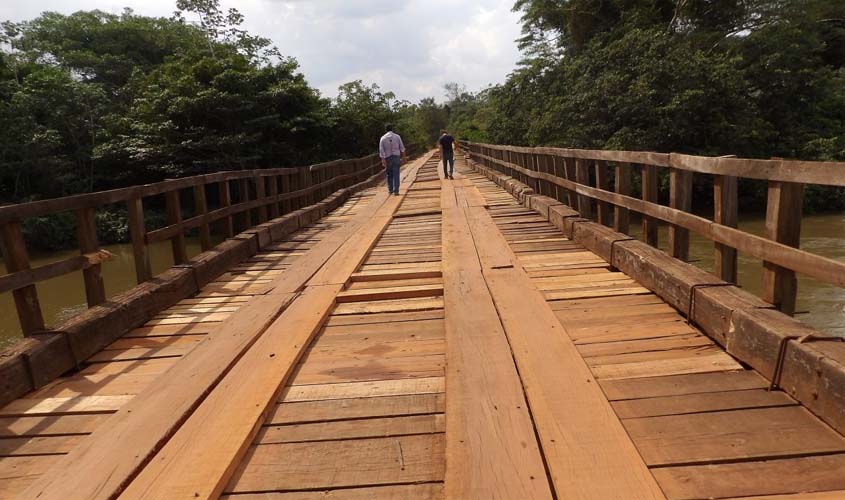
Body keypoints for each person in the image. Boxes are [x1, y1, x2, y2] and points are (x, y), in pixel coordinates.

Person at [379, 124, 407, 195]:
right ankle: (396, 190)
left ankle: (390, 189)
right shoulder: (397, 136)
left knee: (389, 174)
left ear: (386, 130)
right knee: (396, 173)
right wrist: (404, 157)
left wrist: (383, 159)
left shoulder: (382, 138)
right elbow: (402, 148)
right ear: (392, 129)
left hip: (387, 157)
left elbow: (381, 150)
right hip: (396, 156)